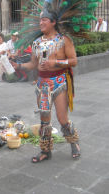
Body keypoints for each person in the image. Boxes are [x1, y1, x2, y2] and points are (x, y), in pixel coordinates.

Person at [12, 12, 80, 162]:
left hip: (59, 82)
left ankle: (74, 143)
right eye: (40, 20)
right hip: (42, 84)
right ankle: (45, 150)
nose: (41, 23)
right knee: (44, 119)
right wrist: (20, 65)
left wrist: (55, 63)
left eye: (44, 20)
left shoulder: (64, 40)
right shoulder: (36, 42)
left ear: (53, 22)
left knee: (62, 119)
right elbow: (33, 64)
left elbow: (74, 60)